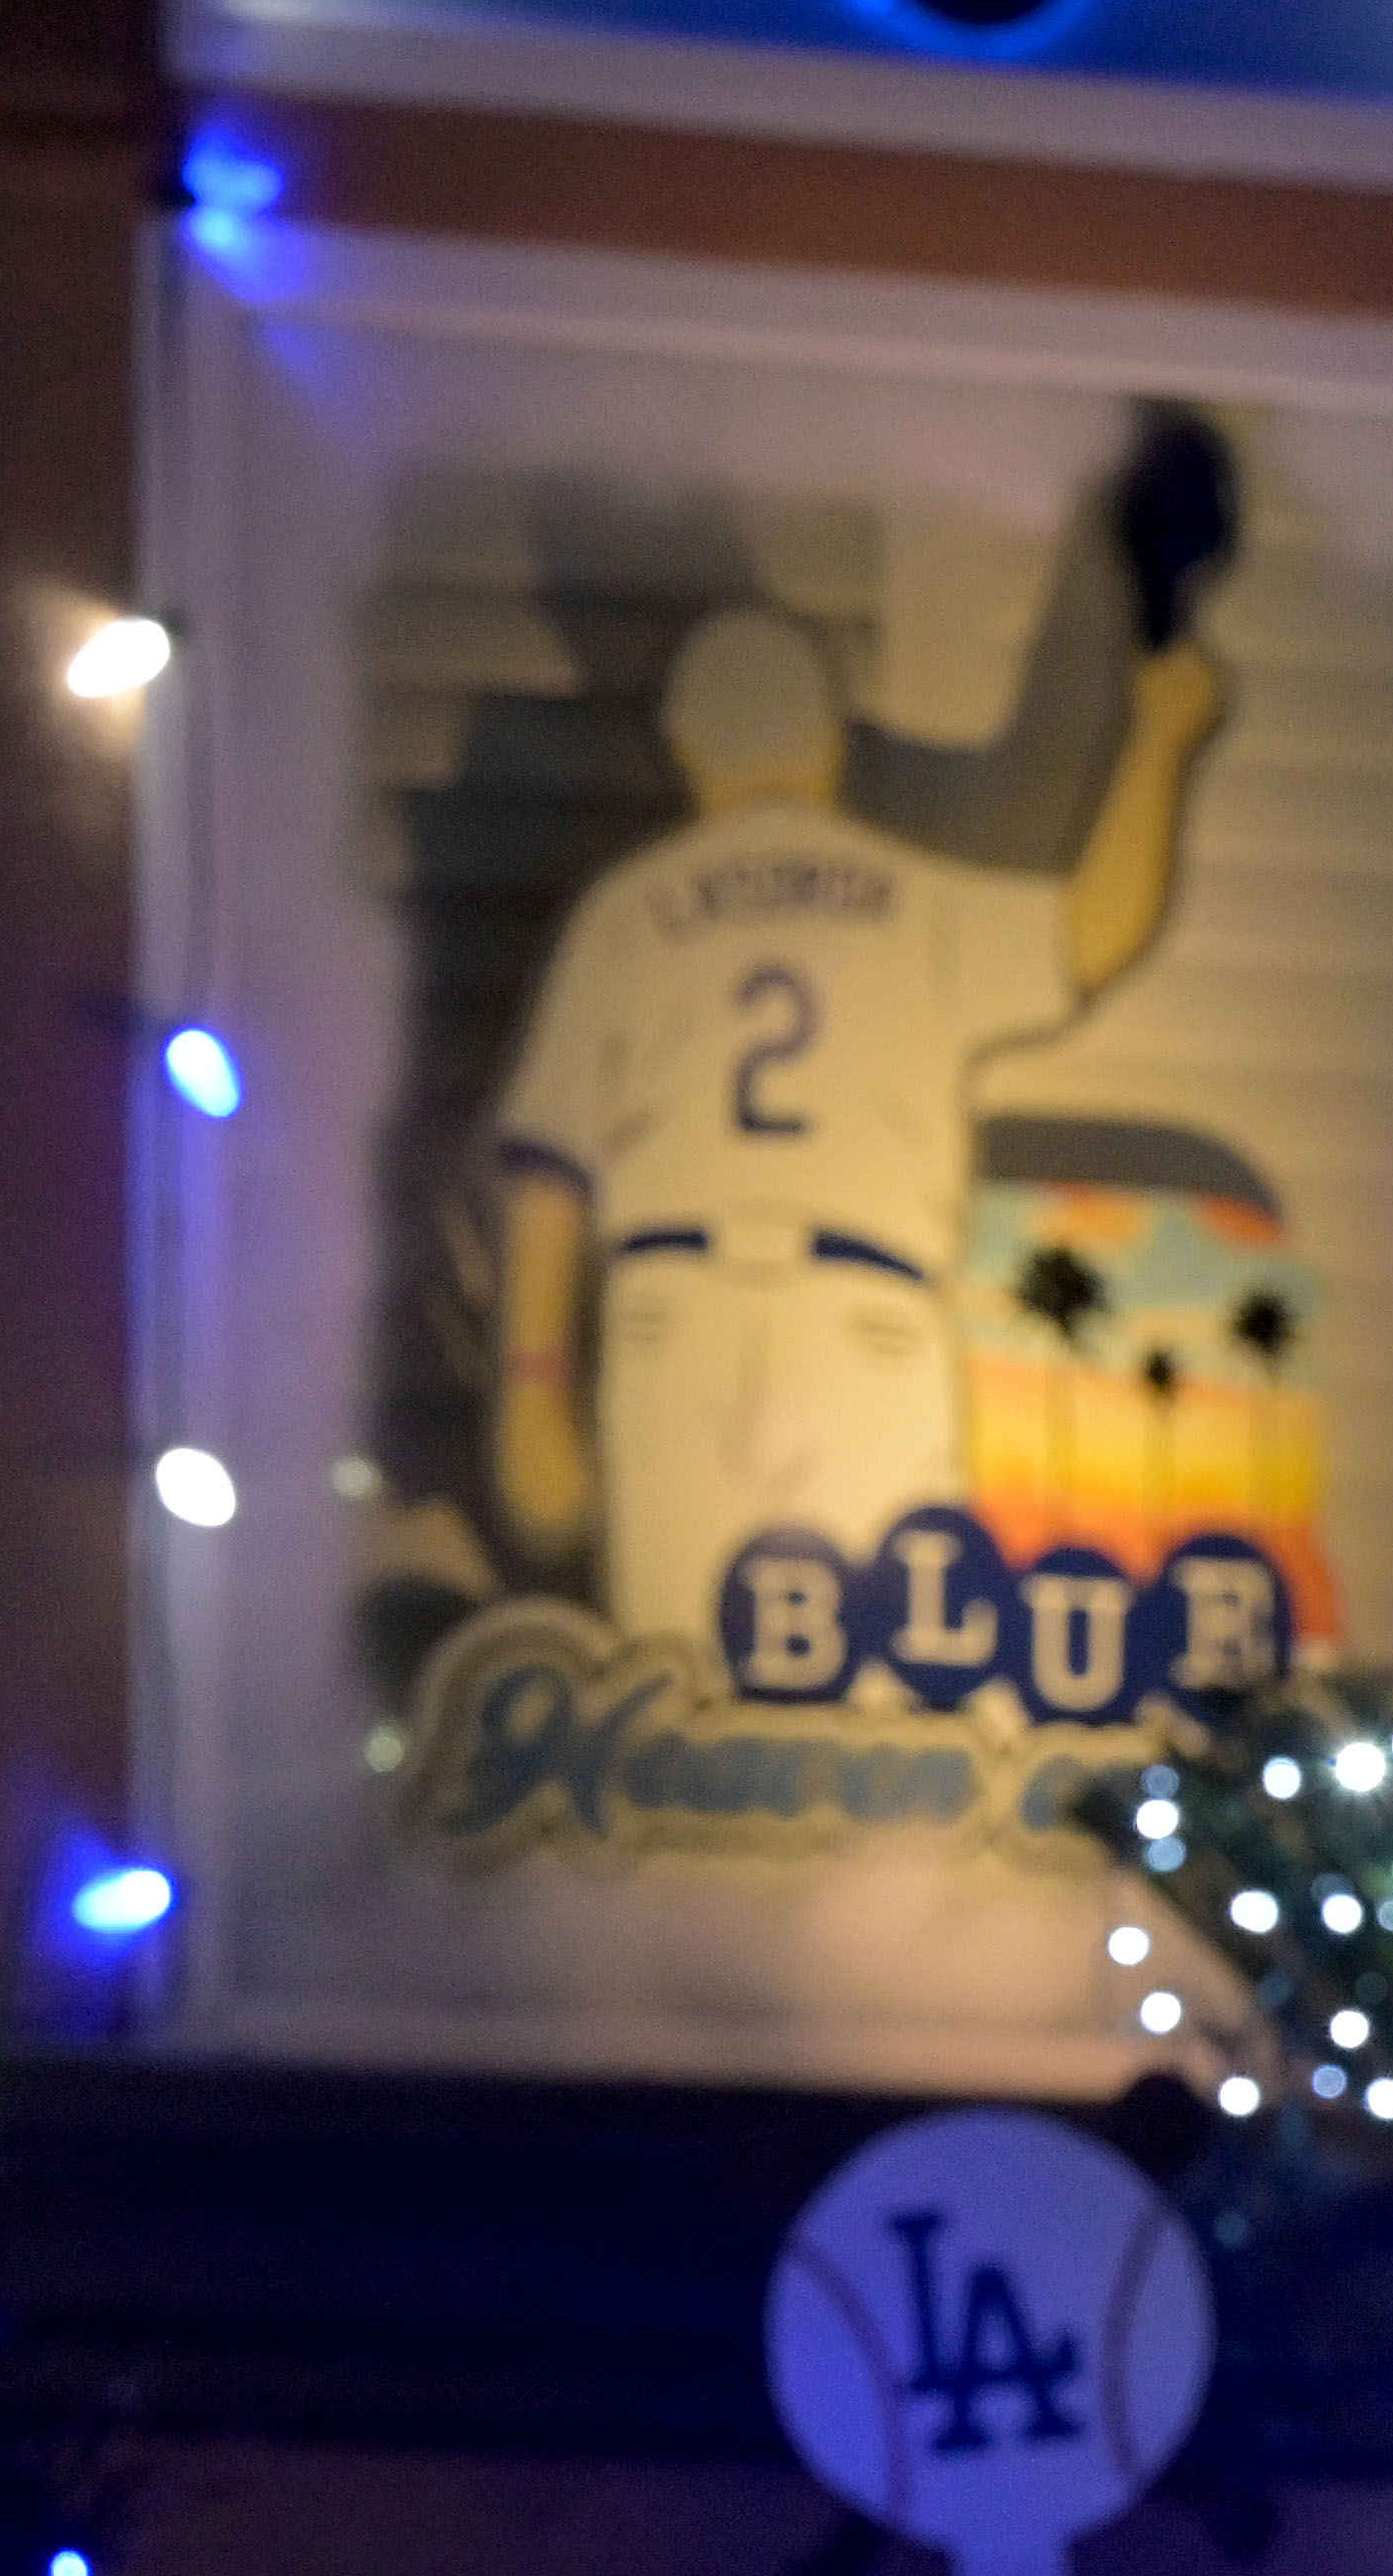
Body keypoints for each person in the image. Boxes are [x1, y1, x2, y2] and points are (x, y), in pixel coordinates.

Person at [488, 415, 1236, 1677]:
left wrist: (529, 1385)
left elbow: (549, 1168)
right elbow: (1093, 933)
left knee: (678, 1684)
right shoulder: (901, 901)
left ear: (683, 749)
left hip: (674, 1310)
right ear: (830, 748)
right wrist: (1159, 742)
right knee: (875, 1696)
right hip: (863, 1309)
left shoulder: (628, 912)